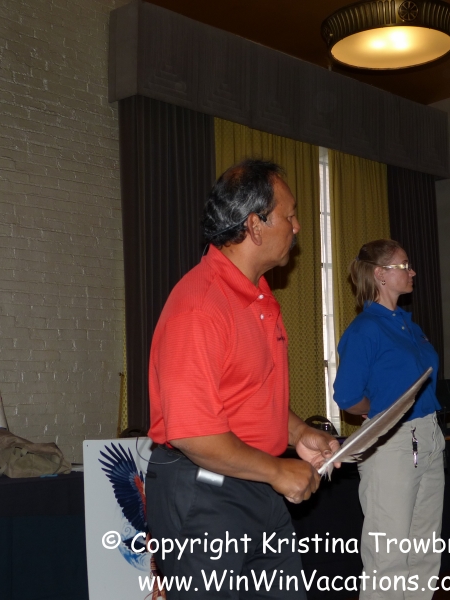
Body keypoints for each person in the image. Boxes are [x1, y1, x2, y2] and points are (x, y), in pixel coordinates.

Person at [145, 159, 340, 598]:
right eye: (290, 215)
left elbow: (249, 394)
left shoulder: (259, 297)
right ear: (255, 225)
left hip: (255, 483)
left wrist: (298, 433)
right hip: (205, 493)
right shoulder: (200, 306)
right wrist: (277, 470)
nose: (297, 227)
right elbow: (196, 435)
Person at [333, 239, 445, 600]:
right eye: (404, 265)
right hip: (393, 444)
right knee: (389, 556)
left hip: (429, 437)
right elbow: (348, 397)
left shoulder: (408, 326)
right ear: (380, 274)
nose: (413, 272)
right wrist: (380, 411)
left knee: (424, 550)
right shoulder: (365, 329)